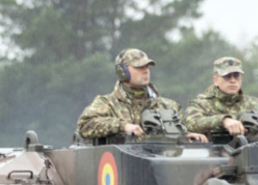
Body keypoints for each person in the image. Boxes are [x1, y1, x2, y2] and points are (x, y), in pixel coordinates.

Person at [77, 49, 208, 142]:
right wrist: (123, 126)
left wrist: (185, 137)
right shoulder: (107, 104)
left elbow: (176, 139)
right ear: (122, 72)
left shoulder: (169, 106)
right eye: (139, 67)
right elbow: (85, 125)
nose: (145, 71)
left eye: (147, 67)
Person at [184, 57, 258, 138]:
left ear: (241, 79)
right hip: (214, 159)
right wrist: (224, 121)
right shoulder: (201, 104)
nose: (232, 80)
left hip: (253, 158)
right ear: (216, 80)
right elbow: (191, 123)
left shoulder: (255, 104)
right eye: (227, 76)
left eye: (236, 76)